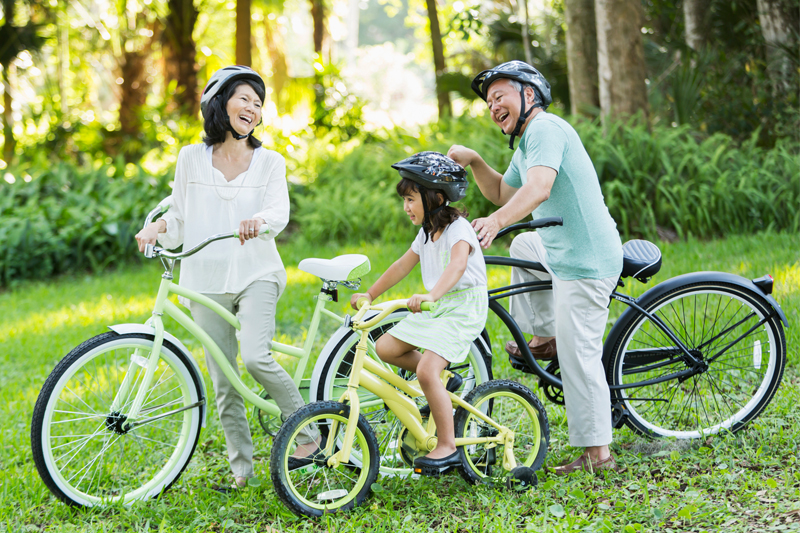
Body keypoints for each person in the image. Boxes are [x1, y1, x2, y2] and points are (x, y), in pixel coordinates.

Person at [135, 65, 318, 490]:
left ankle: (309, 436)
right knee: (223, 380)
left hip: (256, 273)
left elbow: (278, 212)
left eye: (258, 103)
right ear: (219, 102)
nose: (252, 108)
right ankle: (242, 472)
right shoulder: (190, 158)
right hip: (204, 278)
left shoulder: (271, 161)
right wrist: (156, 227)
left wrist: (258, 220)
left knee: (254, 358)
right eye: (244, 99)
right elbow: (178, 215)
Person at [447, 60, 623, 475]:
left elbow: (539, 189)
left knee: (581, 355)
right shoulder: (528, 143)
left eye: (499, 96)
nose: (493, 106)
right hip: (563, 253)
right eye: (489, 102)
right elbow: (503, 192)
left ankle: (599, 456)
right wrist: (475, 161)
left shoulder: (545, 129)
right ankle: (546, 338)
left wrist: (495, 223)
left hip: (586, 261)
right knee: (527, 243)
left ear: (528, 95)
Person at [349, 152, 488, 475]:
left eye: (411, 199)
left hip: (462, 306)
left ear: (436, 197)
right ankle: (446, 379)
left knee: (425, 370)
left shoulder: (458, 229)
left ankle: (448, 445)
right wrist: (371, 293)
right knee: (386, 347)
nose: (406, 207)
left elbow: (457, 265)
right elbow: (401, 265)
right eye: (405, 200)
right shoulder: (426, 233)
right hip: (437, 305)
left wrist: (432, 294)